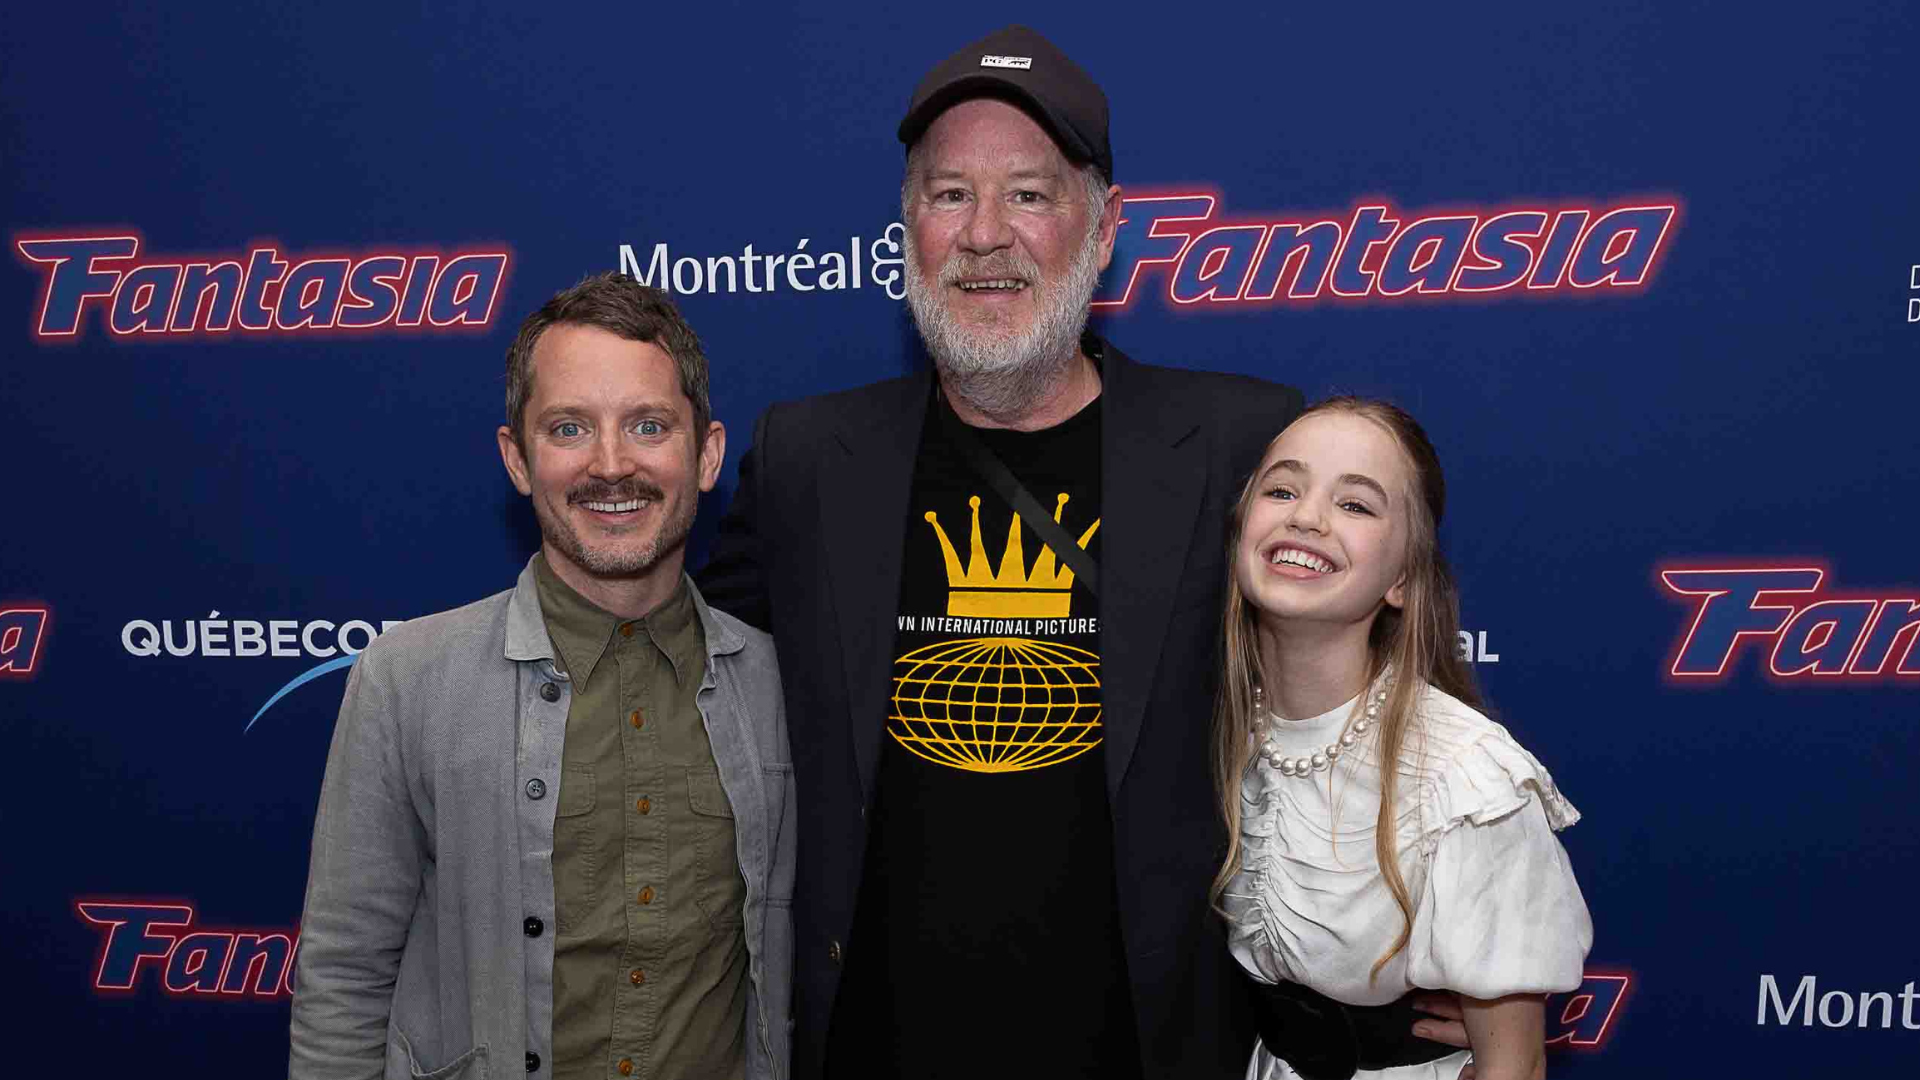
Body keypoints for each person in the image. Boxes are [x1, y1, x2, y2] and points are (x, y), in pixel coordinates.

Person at [697, 25, 1472, 1080]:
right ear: (907, 229)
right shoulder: (806, 458)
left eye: (1028, 194)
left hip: (1150, 1048)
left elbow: (1393, 670)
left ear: (1103, 231)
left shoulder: (1240, 446)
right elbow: (696, 685)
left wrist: (1455, 929)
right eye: (947, 194)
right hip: (874, 1045)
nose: (984, 235)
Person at [290, 272, 793, 1080]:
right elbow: (344, 976)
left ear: (707, 455)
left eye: (649, 425)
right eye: (568, 428)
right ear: (517, 459)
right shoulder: (406, 679)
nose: (610, 464)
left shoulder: (780, 686)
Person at [1214, 398, 1593, 1080]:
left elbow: (1514, 1067)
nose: (1307, 516)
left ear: (1402, 579)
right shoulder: (1204, 725)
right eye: (1282, 489)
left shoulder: (1466, 780)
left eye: (1356, 505)